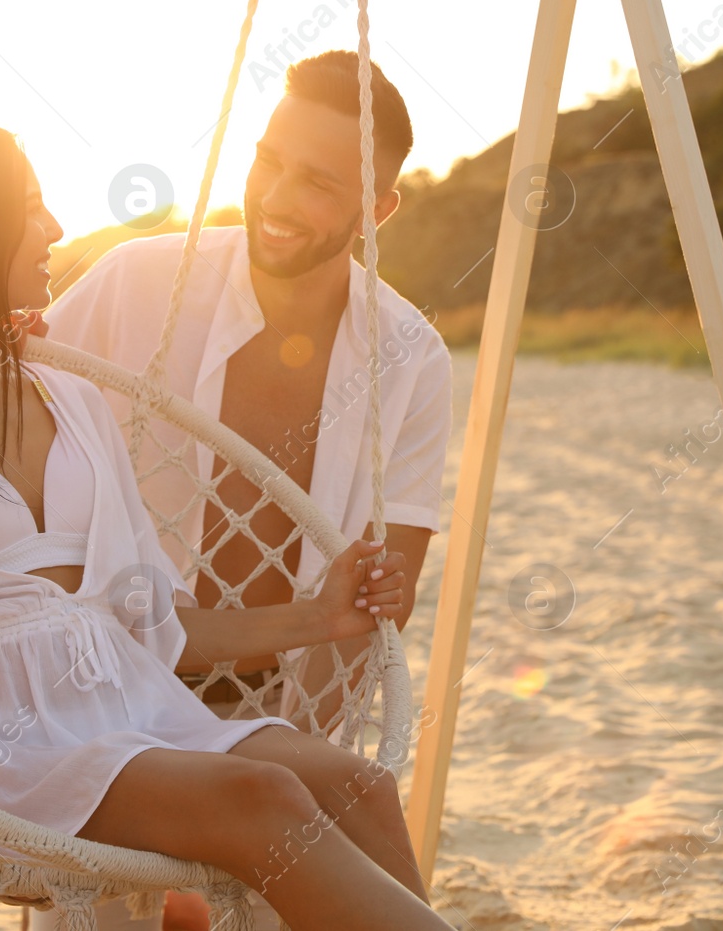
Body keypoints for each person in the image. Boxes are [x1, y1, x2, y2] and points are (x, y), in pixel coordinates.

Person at [0, 121, 455, 931]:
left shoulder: (72, 400)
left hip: (127, 702)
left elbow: (147, 623)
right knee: (261, 797)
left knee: (359, 786)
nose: (56, 228)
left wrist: (317, 617)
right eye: (31, 208)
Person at [43, 51, 452, 930]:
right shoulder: (138, 284)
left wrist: (301, 744)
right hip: (107, 698)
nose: (272, 197)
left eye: (315, 180)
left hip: (278, 712)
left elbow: (388, 595)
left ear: (377, 209)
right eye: (268, 159)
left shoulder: (411, 358)